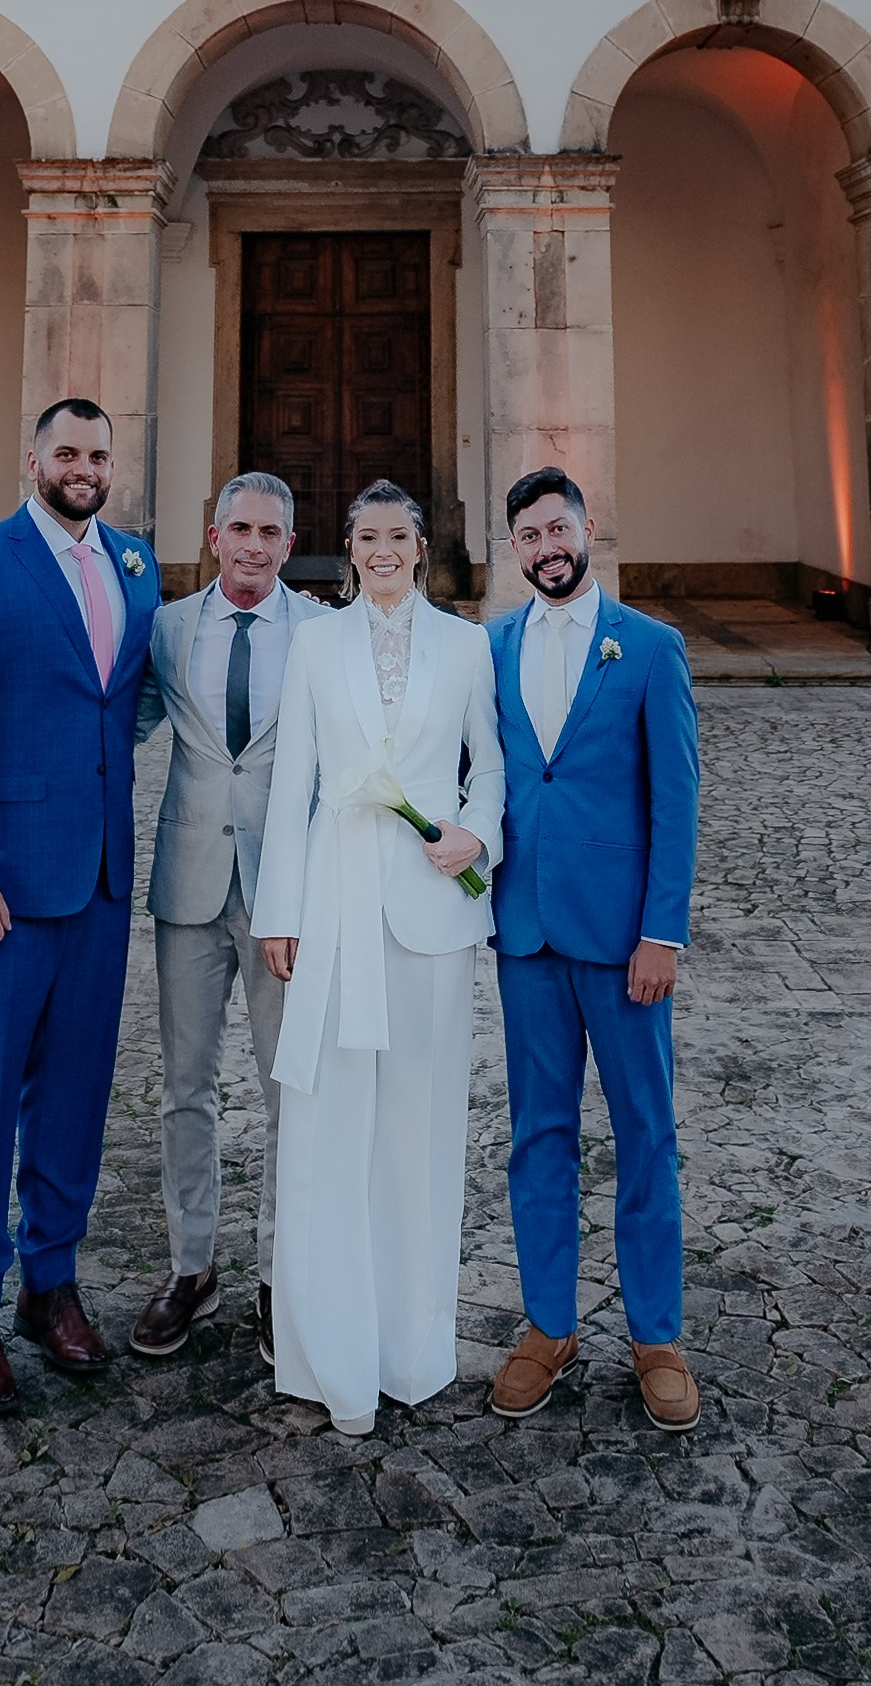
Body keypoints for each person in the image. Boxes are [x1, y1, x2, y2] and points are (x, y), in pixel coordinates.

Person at [0, 397, 160, 1417]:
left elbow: (126, 704)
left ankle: (49, 1285)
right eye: (67, 451)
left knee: (73, 1097)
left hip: (95, 880)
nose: (84, 466)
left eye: (99, 453)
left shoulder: (135, 565)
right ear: (33, 458)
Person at [253, 480, 504, 1438]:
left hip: (431, 911)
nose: (384, 549)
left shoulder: (467, 645)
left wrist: (474, 837)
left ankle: (412, 1348)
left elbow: (494, 765)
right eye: (367, 536)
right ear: (347, 549)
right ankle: (331, 1352)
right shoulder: (315, 643)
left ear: (421, 547)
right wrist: (282, 910)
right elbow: (292, 785)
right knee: (330, 1124)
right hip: (336, 896)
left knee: (421, 1128)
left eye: (399, 535)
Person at [484, 467, 700, 1430]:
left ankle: (656, 1336)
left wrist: (661, 932)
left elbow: (677, 800)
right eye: (527, 535)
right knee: (539, 1136)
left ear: (586, 528)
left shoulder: (649, 649)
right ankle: (547, 1326)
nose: (545, 547)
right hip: (524, 932)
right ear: (514, 549)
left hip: (622, 945)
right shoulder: (487, 649)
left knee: (644, 1133)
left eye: (556, 527)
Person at [128, 471, 315, 1366]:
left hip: (286, 896)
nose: (251, 544)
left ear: (288, 543)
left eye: (268, 532)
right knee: (185, 1088)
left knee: (289, 1091)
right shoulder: (166, 627)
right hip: (189, 884)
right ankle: (190, 1267)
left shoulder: (321, 632)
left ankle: (283, 1277)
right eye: (237, 528)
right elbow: (113, 724)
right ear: (213, 537)